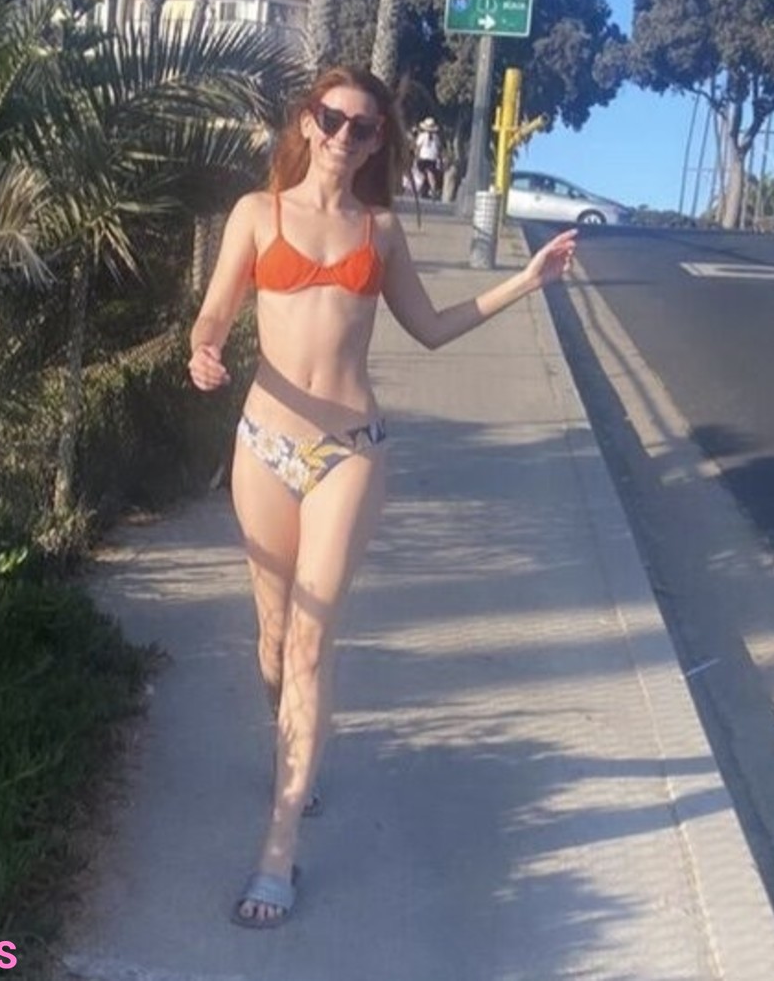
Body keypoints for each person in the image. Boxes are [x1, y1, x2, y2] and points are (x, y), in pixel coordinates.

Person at [187, 65, 576, 929]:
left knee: (311, 643)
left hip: (350, 453)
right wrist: (204, 349)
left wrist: (527, 281)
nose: (343, 136)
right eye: (331, 119)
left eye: (362, 128)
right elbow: (215, 310)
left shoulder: (382, 231)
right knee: (273, 638)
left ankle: (278, 849)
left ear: (377, 144)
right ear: (307, 121)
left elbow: (431, 329)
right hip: (263, 446)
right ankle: (295, 751)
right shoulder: (256, 214)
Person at [413, 116, 442, 199]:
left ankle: (425, 189)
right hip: (432, 158)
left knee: (423, 174)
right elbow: (439, 149)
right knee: (430, 174)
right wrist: (439, 159)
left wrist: (416, 156)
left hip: (423, 157)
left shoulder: (422, 136)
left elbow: (418, 147)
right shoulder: (436, 138)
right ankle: (431, 189)